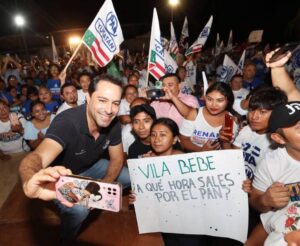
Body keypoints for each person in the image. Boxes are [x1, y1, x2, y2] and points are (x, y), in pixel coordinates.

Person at [19, 74, 130, 242]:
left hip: (92, 165)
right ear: (88, 96)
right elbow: (36, 157)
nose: (109, 110)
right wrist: (29, 180)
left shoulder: (113, 123)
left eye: (115, 103)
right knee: (79, 210)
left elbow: (117, 158)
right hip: (65, 176)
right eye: (102, 100)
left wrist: (104, 184)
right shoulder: (67, 122)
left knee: (129, 176)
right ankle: (66, 238)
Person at [245, 101, 300, 245]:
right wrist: (265, 200)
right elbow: (255, 201)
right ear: (279, 138)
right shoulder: (271, 163)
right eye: (299, 128)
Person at [179, 82, 238, 152]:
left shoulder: (230, 120)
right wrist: (201, 150)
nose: (213, 105)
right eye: (209, 99)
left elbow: (230, 153)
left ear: (228, 101)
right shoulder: (194, 114)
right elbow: (183, 140)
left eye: (220, 100)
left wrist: (224, 141)